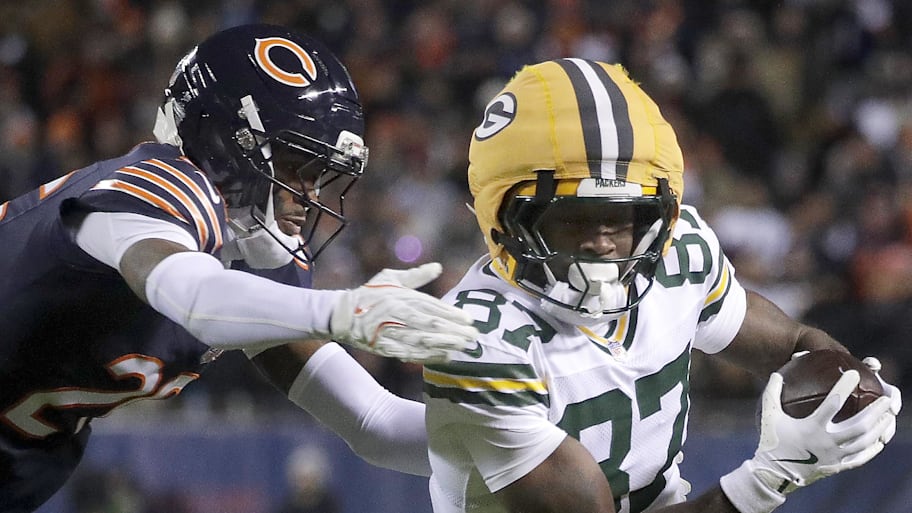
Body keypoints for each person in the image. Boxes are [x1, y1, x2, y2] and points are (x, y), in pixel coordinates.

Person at [0, 24, 478, 512]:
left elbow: (373, 421)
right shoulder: (156, 185)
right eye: (297, 164)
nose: (311, 194)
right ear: (226, 142)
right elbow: (194, 297)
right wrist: (344, 311)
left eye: (320, 173)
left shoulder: (256, 256)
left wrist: (512, 441)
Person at [422, 59, 902, 513]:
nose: (602, 243)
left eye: (621, 216)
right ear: (504, 217)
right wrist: (766, 480)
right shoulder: (477, 340)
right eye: (573, 217)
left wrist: (852, 387)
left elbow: (793, 344)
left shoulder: (678, 252)